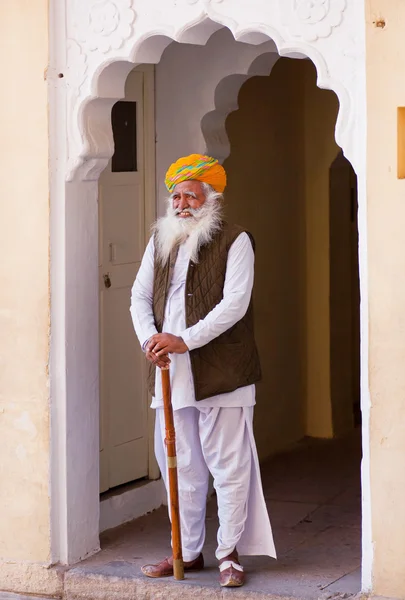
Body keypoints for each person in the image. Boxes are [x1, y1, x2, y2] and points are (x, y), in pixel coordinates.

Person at [130, 153, 276, 588]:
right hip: (172, 372)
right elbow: (138, 297)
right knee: (181, 465)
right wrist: (150, 340)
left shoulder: (236, 240)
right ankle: (186, 552)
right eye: (175, 196)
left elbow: (235, 305)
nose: (180, 204)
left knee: (228, 465)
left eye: (190, 195)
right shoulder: (159, 242)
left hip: (223, 372)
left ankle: (229, 554)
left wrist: (184, 339)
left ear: (210, 199)